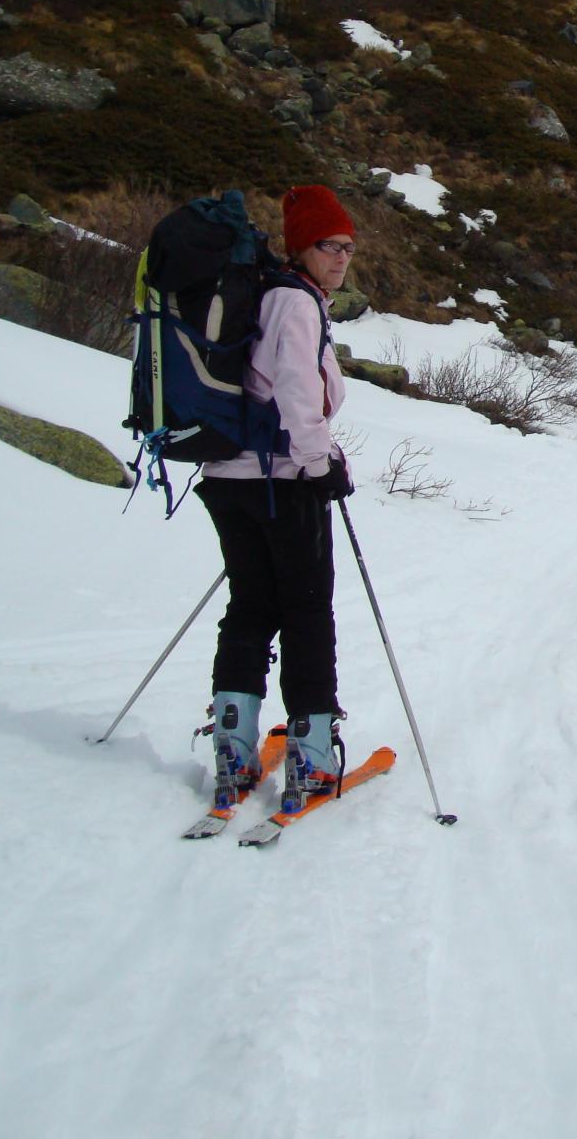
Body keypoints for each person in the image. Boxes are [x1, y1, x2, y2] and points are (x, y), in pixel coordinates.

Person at [198, 185, 357, 807]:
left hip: (226, 477)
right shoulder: (294, 302)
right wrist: (320, 464)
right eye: (330, 246)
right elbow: (298, 390)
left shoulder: (261, 292)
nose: (342, 258)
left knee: (250, 608)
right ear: (302, 247)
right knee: (307, 610)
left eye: (348, 247)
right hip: (281, 480)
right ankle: (312, 757)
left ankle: (234, 753)